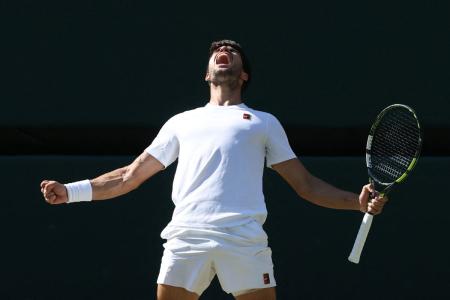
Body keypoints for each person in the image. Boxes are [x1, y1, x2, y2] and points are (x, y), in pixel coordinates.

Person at [41, 40, 388, 300]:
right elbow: (129, 176)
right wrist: (70, 191)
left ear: (244, 74)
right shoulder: (181, 122)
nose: (224, 49)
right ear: (208, 73)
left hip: (243, 239)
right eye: (218, 49)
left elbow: (306, 185)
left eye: (233, 50)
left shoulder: (264, 123)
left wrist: (356, 202)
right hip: (186, 238)